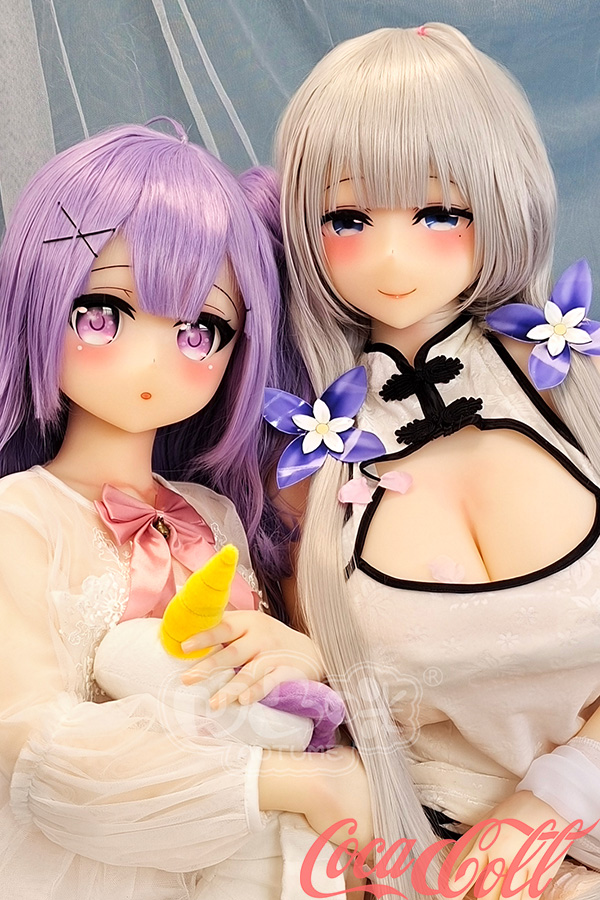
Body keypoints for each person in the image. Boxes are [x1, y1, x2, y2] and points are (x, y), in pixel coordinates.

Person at [268, 23, 600, 900]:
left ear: (500, 199)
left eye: (439, 212)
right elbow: (343, 725)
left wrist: (553, 801)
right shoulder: (311, 467)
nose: (392, 256)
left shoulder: (579, 385)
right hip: (435, 870)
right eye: (348, 219)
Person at [0, 120, 370, 899]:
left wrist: (295, 656)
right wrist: (284, 782)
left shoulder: (213, 513)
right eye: (102, 312)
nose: (151, 359)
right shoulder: (20, 520)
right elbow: (31, 749)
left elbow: (248, 685)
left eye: (201, 330)